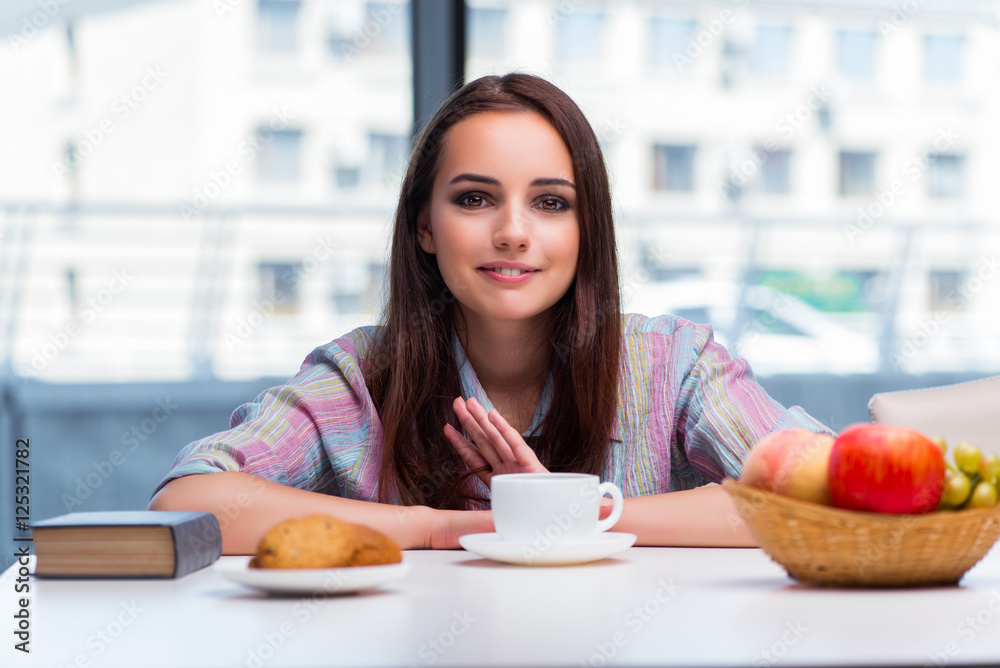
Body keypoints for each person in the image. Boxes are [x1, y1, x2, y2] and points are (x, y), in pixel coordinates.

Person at [149, 73, 830, 553]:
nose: (512, 232)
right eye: (475, 199)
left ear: (586, 229)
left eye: (551, 202)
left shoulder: (675, 365)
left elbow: (822, 491)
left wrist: (572, 513)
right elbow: (187, 501)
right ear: (423, 225)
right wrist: (437, 529)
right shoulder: (360, 377)